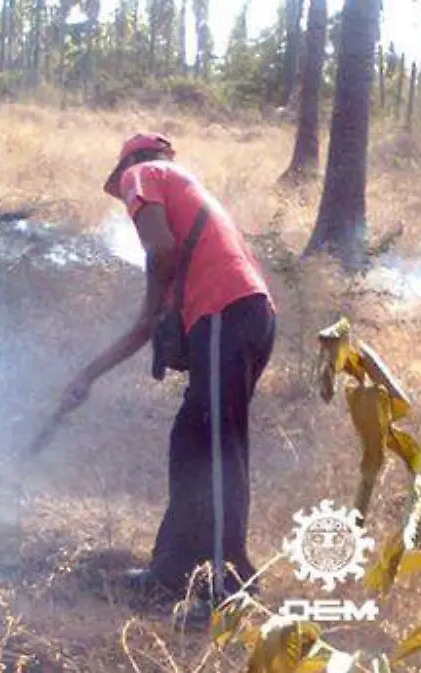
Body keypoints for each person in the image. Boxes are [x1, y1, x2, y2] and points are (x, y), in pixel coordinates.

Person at [57, 132, 277, 616]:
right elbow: (142, 327)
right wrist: (86, 376)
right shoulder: (186, 214)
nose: (128, 203)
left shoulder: (145, 174)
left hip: (226, 315)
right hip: (239, 318)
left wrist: (167, 302)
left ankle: (229, 587)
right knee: (190, 440)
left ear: (132, 166)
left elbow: (158, 249)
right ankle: (173, 571)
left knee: (218, 446)